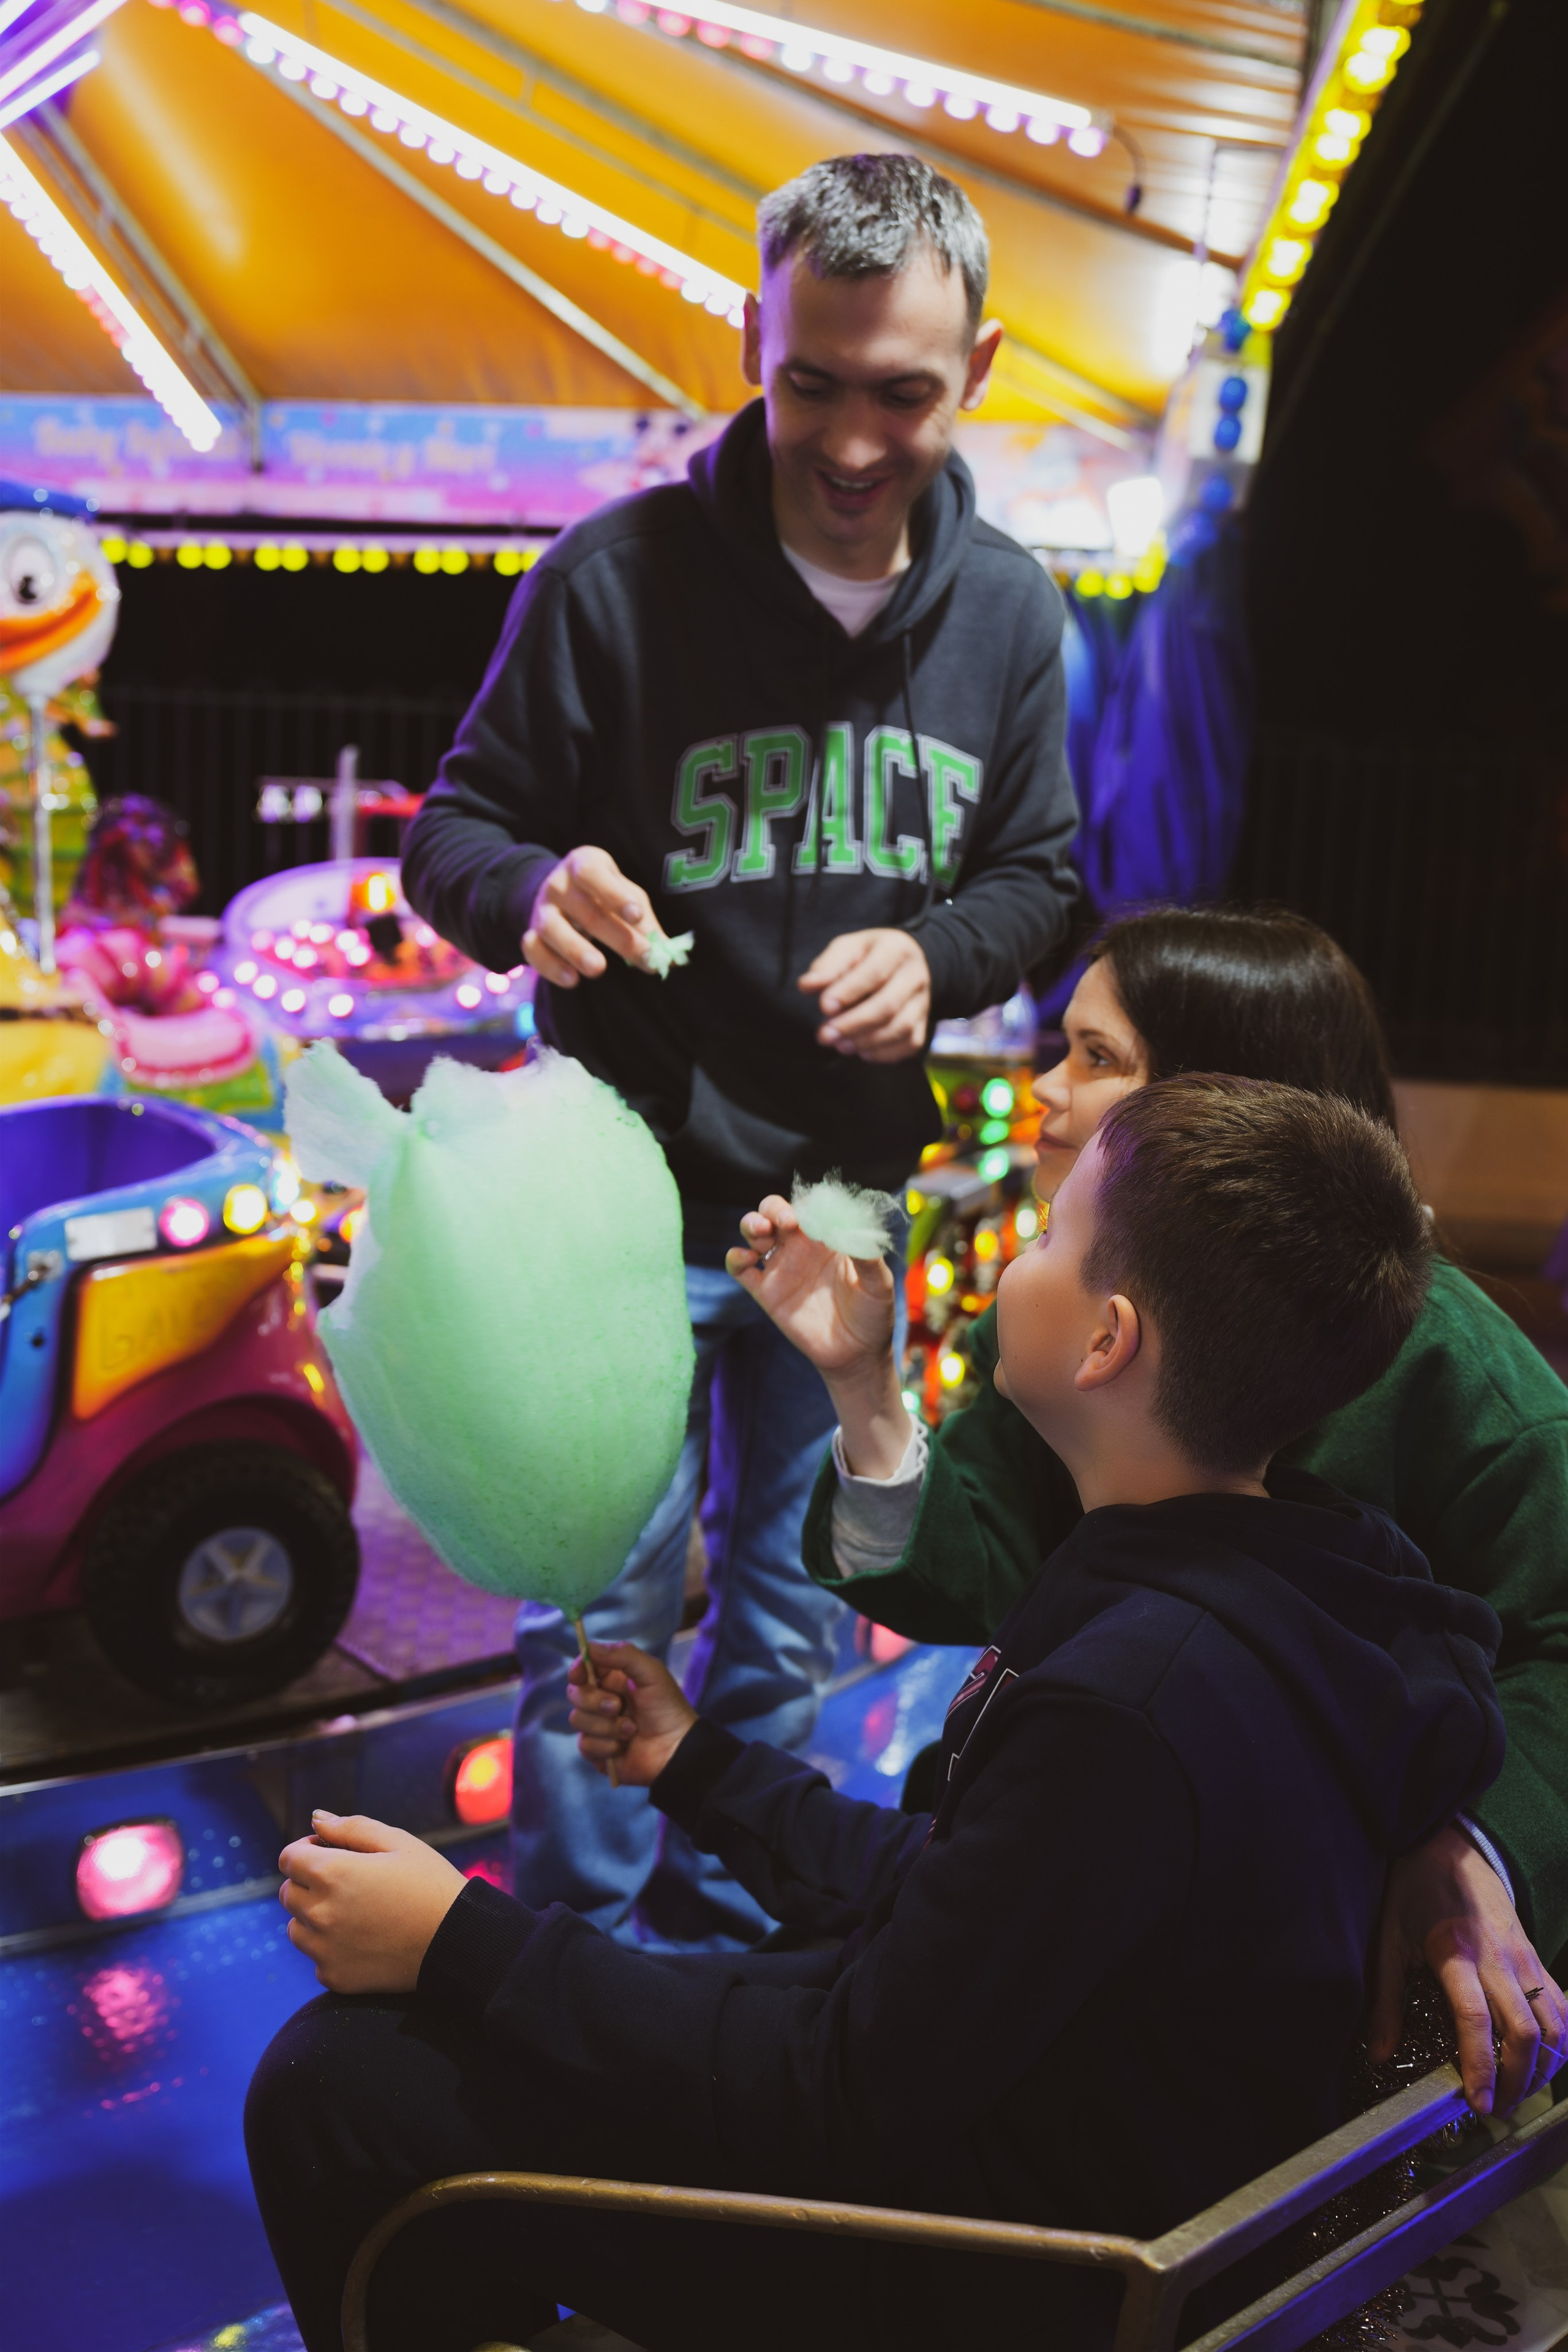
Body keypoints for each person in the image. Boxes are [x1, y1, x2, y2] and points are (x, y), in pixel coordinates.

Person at [247, 1075, 1531, 2352]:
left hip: (1014, 2270)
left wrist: (462, 1940)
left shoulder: (1134, 1701)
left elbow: (841, 2088)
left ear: (1106, 1342)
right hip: (1044, 2123)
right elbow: (963, 1890)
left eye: (1048, 1236)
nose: (1019, 1253)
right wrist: (697, 1765)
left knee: (337, 2081)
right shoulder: (1300, 1578)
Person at [400, 154, 1079, 1947]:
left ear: (980, 368)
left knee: (786, 1614)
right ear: (749, 342)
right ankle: (569, 1959)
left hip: (841, 1204)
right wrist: (529, 887)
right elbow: (451, 833)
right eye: (810, 383)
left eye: (902, 395)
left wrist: (937, 954)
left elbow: (1039, 877)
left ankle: (731, 1950)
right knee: (595, 1618)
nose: (850, 443)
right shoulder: (611, 579)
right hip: (617, 1204)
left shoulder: (1011, 614)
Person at [729, 905, 1568, 2110]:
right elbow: (962, 1572)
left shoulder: (1452, 1367)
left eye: (1095, 1057)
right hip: (1079, 1894)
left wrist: (1464, 1833)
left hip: (1285, 1998)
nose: (1043, 1090)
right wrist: (865, 1393)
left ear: (1224, 1109)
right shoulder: (1059, 1319)